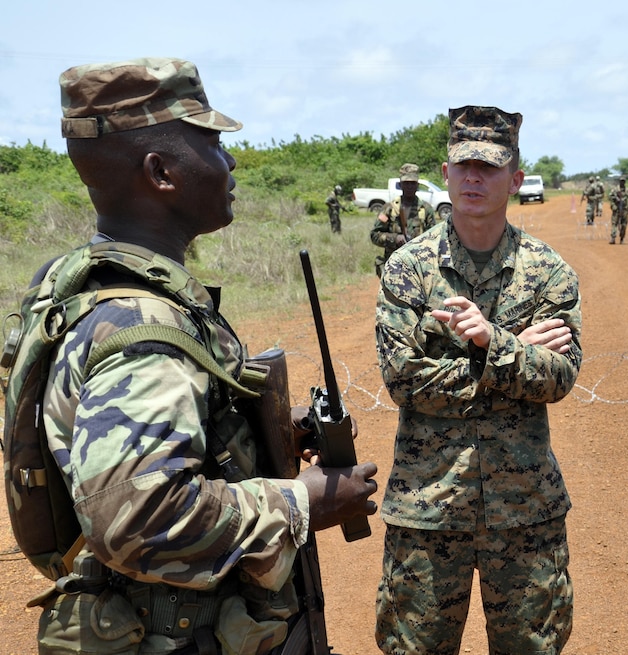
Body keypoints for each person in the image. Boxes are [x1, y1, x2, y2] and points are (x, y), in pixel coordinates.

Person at [27, 57, 379, 654]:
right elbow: (136, 516)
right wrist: (305, 501)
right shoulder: (143, 328)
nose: (230, 160)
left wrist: (252, 440)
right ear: (161, 172)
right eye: (212, 142)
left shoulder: (85, 288)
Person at [373, 105, 581, 654]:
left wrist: (494, 341)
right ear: (445, 174)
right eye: (464, 165)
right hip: (428, 506)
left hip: (524, 512)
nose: (473, 178)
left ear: (514, 179)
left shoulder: (549, 271)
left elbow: (559, 378)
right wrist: (511, 356)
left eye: (489, 168)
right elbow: (403, 381)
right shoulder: (407, 269)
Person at [369, 163, 437, 277]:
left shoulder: (426, 209)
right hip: (394, 267)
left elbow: (435, 239)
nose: (410, 187)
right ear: (400, 185)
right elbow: (374, 235)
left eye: (413, 183)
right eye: (406, 183)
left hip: (419, 268)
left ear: (417, 185)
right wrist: (395, 239)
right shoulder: (389, 209)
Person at [608, 177, 628, 244]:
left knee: (624, 224)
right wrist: (613, 205)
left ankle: (622, 238)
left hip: (624, 209)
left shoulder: (627, 190)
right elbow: (610, 197)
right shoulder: (615, 190)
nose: (622, 182)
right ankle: (613, 238)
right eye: (621, 181)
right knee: (614, 223)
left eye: (623, 181)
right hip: (616, 209)